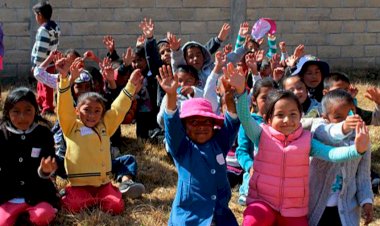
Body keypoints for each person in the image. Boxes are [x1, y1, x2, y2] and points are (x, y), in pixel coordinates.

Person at [226, 66, 370, 226]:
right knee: (253, 222)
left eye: (293, 114)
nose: (287, 120)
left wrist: (356, 150)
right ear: (268, 119)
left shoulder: (306, 140)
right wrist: (240, 93)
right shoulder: (262, 135)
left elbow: (331, 154)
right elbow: (246, 119)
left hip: (293, 208)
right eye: (280, 115)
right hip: (263, 201)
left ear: (301, 116)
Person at [55, 56, 143, 214]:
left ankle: (110, 193)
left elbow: (118, 109)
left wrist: (130, 87)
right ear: (77, 111)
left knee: (115, 207)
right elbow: (64, 108)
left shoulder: (105, 126)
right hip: (78, 185)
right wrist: (64, 79)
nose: (92, 115)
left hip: (103, 185)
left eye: (97, 111)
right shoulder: (71, 126)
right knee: (71, 207)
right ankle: (84, 199)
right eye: (86, 110)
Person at [158, 64, 241, 226]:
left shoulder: (218, 143)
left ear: (212, 124)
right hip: (191, 217)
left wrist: (229, 97)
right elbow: (172, 126)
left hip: (220, 214)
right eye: (194, 122)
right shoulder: (181, 149)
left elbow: (231, 123)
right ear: (184, 126)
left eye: (206, 122)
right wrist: (171, 95)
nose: (201, 126)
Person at [309, 89, 374, 226]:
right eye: (338, 117)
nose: (347, 120)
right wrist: (343, 127)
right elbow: (329, 133)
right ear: (324, 117)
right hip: (315, 207)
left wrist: (366, 201)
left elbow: (363, 176)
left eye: (350, 114)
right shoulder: (319, 129)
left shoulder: (362, 138)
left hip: (346, 210)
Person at [0, 87, 59, 226]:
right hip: (7, 193)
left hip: (38, 193)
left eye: (28, 110)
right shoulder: (1, 134)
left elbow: (49, 161)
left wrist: (45, 170)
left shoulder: (43, 133)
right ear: (8, 113)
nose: (22, 117)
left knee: (44, 216)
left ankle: (27, 217)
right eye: (16, 111)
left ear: (36, 111)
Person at [236, 78, 276, 206]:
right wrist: (250, 166)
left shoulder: (282, 123)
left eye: (273, 97)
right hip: (255, 178)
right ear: (254, 100)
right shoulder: (250, 122)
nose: (270, 102)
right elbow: (241, 151)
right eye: (264, 98)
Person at [31, 1, 60, 114]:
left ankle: (48, 107)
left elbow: (41, 49)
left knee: (46, 85)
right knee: (42, 84)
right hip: (51, 61)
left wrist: (36, 64)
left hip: (43, 62)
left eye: (36, 15)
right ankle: (40, 102)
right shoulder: (55, 27)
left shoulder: (43, 30)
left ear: (40, 15)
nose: (36, 18)